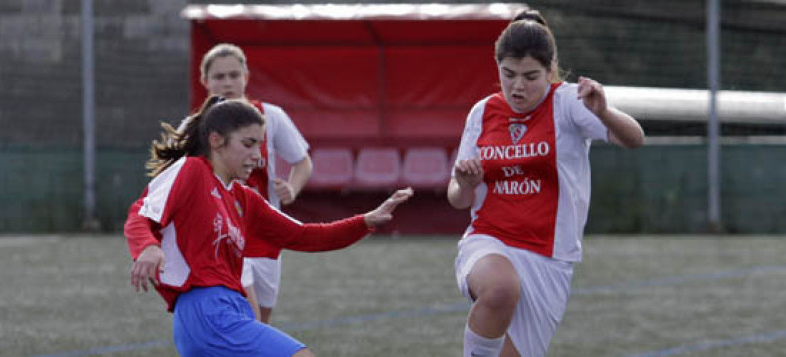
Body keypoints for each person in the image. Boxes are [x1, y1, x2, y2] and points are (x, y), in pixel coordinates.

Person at [125, 97, 413, 357]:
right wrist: (147, 247)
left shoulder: (244, 198)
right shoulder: (193, 170)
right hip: (207, 312)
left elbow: (304, 235)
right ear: (216, 140)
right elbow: (141, 213)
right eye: (247, 144)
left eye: (259, 145)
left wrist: (365, 221)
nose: (257, 155)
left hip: (232, 309)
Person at [447, 9, 644, 357]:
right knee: (500, 288)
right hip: (490, 240)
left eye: (530, 76)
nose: (518, 86)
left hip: (549, 260)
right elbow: (458, 199)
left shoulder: (569, 102)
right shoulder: (482, 112)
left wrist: (602, 112)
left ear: (550, 69)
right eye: (508, 74)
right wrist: (464, 183)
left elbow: (634, 138)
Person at [141, 43, 314, 323]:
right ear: (205, 81)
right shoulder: (196, 126)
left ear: (246, 76)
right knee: (247, 322)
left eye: (234, 75)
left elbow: (302, 162)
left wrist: (292, 188)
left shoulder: (271, 117)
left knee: (259, 325)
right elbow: (170, 181)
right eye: (219, 77)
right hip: (221, 234)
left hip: (265, 236)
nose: (227, 83)